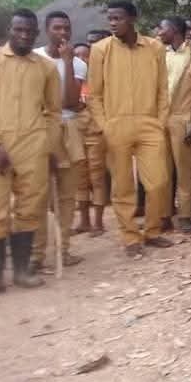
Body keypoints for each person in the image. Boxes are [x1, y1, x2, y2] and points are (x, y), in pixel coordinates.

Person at [88, 0, 173, 258]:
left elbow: (162, 90)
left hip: (150, 124)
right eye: (110, 18)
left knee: (158, 182)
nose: (113, 23)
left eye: (118, 18)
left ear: (133, 18)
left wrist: (159, 121)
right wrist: (105, 126)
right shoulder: (101, 50)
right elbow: (94, 94)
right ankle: (130, 237)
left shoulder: (155, 47)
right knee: (123, 185)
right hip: (116, 124)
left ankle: (153, 230)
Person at [0, 9, 61, 290]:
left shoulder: (45, 67)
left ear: (37, 33)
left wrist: (47, 147)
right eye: (18, 29)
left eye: (29, 31)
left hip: (33, 145)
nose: (24, 35)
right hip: (0, 144)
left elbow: (53, 112)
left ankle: (22, 272)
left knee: (29, 208)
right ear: (9, 30)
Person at [31, 11, 88, 271]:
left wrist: (66, 61)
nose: (63, 33)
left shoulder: (77, 64)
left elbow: (70, 102)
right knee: (39, 195)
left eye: (66, 28)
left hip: (69, 130)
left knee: (66, 195)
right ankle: (37, 255)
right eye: (57, 28)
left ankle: (63, 250)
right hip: (39, 130)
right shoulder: (34, 59)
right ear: (46, 29)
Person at [158, 17, 191, 234]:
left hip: (185, 118)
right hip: (162, 120)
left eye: (163, 28)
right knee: (162, 171)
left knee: (185, 171)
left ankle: (186, 214)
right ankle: (164, 214)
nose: (159, 32)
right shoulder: (162, 56)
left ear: (175, 31)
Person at [73, 30, 110, 236]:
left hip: (96, 133)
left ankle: (98, 222)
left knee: (97, 177)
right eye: (77, 56)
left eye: (85, 55)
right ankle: (84, 221)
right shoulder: (72, 83)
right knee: (80, 178)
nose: (81, 59)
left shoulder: (100, 81)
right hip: (76, 134)